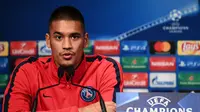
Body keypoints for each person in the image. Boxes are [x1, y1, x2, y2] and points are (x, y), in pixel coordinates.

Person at [2, 5, 124, 112]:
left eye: (74, 37)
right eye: (59, 37)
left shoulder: (105, 68)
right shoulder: (27, 71)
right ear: (48, 41)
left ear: (85, 41)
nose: (67, 46)